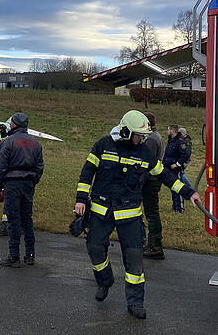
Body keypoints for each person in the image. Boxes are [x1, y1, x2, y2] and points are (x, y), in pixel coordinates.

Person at [74, 110, 201, 319]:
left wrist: (189, 193)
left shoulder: (144, 153)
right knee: (95, 249)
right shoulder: (103, 145)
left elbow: (165, 176)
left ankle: (135, 302)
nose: (142, 139)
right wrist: (80, 199)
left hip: (130, 215)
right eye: (139, 135)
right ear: (125, 131)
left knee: (134, 260)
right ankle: (105, 281)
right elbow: (87, 172)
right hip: (101, 211)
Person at [0, 113, 44, 267]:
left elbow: (1, 165)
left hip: (12, 183)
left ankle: (14, 256)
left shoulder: (8, 142)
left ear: (14, 124)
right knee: (27, 219)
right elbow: (40, 166)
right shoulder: (35, 143)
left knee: (14, 219)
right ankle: (30, 255)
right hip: (28, 183)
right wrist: (33, 180)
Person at [140, 112, 166, 260]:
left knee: (151, 214)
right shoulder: (156, 136)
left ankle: (155, 245)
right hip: (153, 179)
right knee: (152, 213)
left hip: (151, 180)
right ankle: (153, 244)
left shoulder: (150, 139)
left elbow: (146, 163)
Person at [163, 124, 190, 213]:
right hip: (168, 168)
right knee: (172, 188)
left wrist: (177, 164)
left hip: (175, 169)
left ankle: (180, 208)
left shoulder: (180, 141)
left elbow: (185, 154)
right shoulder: (171, 140)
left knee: (178, 188)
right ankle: (175, 206)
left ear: (172, 131)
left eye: (168, 130)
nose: (167, 132)